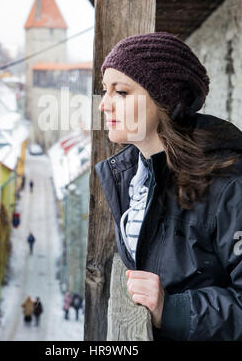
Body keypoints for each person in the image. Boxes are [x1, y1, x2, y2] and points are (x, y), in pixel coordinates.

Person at [96, 32, 242, 341]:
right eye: (104, 90)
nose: (104, 105)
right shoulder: (134, 178)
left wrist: (172, 310)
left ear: (164, 101)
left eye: (121, 92)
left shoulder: (227, 186)